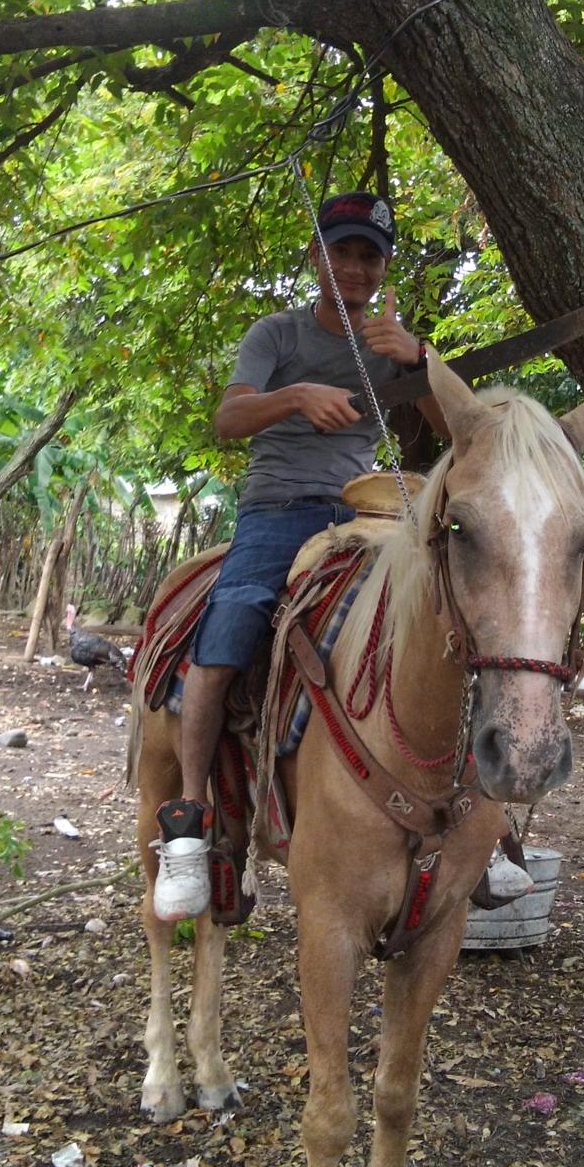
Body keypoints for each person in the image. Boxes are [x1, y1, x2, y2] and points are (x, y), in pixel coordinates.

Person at [150, 191, 446, 920]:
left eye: (368, 256)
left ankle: (477, 829)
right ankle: (191, 823)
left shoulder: (389, 343)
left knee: (449, 616)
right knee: (228, 634)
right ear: (316, 257)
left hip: (372, 510)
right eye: (340, 252)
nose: (353, 267)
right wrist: (295, 397)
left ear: (382, 269)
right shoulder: (275, 334)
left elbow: (454, 426)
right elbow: (228, 418)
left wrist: (422, 359)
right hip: (279, 510)